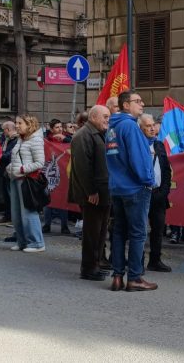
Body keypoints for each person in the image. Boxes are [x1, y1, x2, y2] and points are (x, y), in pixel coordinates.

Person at [106, 90, 157, 292]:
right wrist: (148, 180)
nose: (142, 104)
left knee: (119, 233)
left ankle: (117, 276)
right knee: (137, 234)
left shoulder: (113, 126)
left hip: (117, 187)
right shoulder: (129, 126)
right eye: (137, 101)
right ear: (126, 105)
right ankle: (135, 277)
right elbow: (138, 157)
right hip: (135, 187)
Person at [69, 105, 111, 281]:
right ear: (93, 117)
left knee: (100, 231)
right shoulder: (83, 136)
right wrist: (91, 191)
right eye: (105, 117)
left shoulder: (97, 134)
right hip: (92, 194)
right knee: (92, 232)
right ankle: (88, 268)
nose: (108, 120)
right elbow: (83, 167)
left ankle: (96, 263)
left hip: (102, 192)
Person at [6, 114, 47, 253]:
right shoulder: (20, 139)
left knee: (28, 212)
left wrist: (21, 169)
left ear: (29, 125)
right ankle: (22, 241)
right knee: (17, 213)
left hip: (26, 180)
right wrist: (11, 168)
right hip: (16, 178)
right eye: (16, 123)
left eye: (19, 123)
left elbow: (40, 162)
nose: (16, 126)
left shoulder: (35, 140)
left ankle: (36, 242)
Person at [139, 113, 173, 274]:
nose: (152, 128)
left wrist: (164, 191)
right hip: (141, 193)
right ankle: (137, 260)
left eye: (153, 125)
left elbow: (166, 170)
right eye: (148, 126)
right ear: (140, 128)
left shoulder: (159, 145)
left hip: (158, 194)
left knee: (158, 229)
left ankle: (155, 260)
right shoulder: (137, 145)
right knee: (138, 229)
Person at [0, 120, 18, 226]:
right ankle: (7, 216)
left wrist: (1, 155)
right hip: (4, 170)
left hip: (10, 170)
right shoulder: (7, 139)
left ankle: (12, 217)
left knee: (10, 195)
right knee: (6, 195)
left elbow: (11, 154)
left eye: (4, 130)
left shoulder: (15, 140)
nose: (3, 132)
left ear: (7, 129)